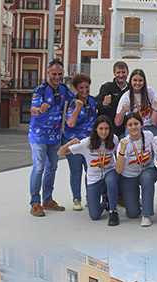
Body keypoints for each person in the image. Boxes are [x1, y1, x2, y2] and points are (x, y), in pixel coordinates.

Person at [28, 59, 74, 217]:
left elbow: (75, 99)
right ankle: (35, 203)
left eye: (60, 74)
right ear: (48, 73)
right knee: (38, 168)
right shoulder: (40, 90)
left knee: (52, 168)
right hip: (39, 136)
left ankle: (47, 200)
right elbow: (33, 109)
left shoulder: (63, 88)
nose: (57, 77)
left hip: (55, 137)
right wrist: (40, 110)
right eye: (54, 74)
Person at [58, 116, 120, 225]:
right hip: (94, 178)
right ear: (95, 129)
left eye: (106, 128)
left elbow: (117, 156)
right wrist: (70, 143)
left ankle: (113, 211)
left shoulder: (114, 139)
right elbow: (61, 153)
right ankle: (105, 203)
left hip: (109, 172)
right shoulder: (87, 143)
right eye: (101, 128)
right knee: (94, 215)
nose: (104, 132)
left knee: (111, 180)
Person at [115, 112, 157, 227]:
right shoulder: (124, 143)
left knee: (147, 178)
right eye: (130, 125)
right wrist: (122, 151)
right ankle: (136, 201)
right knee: (132, 214)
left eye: (136, 124)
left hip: (147, 170)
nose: (133, 127)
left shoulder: (149, 135)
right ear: (126, 127)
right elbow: (119, 170)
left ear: (141, 124)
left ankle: (146, 214)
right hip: (129, 176)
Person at [62, 73, 97, 211]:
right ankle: (77, 199)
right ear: (76, 88)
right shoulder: (73, 102)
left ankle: (90, 197)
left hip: (89, 142)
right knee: (76, 171)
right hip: (74, 141)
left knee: (91, 171)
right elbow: (70, 123)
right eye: (81, 88)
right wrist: (78, 107)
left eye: (87, 87)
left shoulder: (93, 101)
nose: (84, 90)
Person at [115, 69, 155, 134]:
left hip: (149, 127)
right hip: (133, 128)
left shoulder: (149, 91)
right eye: (135, 80)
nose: (137, 83)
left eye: (140, 80)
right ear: (130, 81)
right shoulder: (126, 97)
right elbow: (117, 122)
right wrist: (122, 111)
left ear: (144, 81)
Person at [96, 61, 129, 138]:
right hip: (110, 131)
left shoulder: (131, 88)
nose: (121, 75)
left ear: (127, 73)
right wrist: (104, 104)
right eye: (118, 72)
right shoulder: (106, 87)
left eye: (123, 72)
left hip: (127, 129)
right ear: (114, 73)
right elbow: (99, 108)